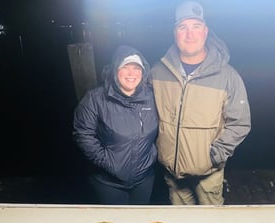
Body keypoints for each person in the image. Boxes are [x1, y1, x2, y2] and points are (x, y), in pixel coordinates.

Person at [151, 1, 251, 205]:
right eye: (183, 27)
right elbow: (139, 108)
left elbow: (239, 123)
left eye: (196, 27)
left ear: (205, 32)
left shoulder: (228, 76)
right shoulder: (157, 72)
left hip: (208, 173)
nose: (190, 34)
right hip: (173, 171)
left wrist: (214, 156)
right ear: (175, 33)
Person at [73, 45, 158, 204]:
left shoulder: (153, 98)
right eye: (126, 67)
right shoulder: (95, 98)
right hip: (108, 182)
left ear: (143, 72)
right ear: (115, 70)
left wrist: (152, 158)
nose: (132, 73)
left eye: (136, 68)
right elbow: (83, 134)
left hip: (144, 180)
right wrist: (109, 162)